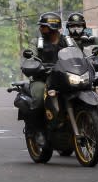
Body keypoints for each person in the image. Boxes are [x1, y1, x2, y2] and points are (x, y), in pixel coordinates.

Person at [25, 12, 75, 145]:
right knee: (39, 97)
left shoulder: (68, 41)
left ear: (53, 27)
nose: (41, 29)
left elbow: (78, 54)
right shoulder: (37, 42)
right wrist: (33, 64)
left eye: (43, 26)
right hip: (42, 78)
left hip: (63, 77)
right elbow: (30, 56)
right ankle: (37, 130)